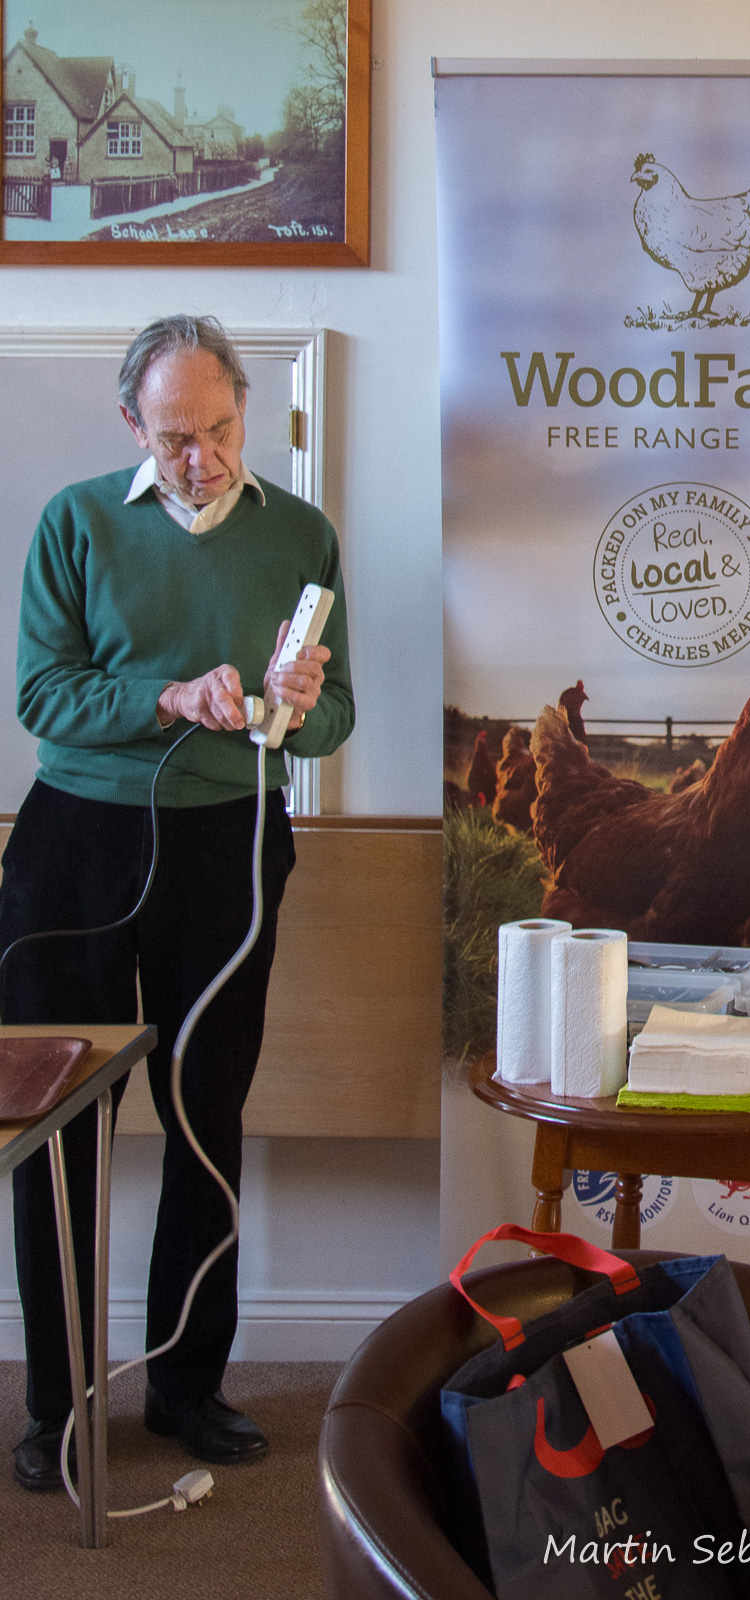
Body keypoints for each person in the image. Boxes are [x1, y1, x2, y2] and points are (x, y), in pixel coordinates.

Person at [0, 315, 354, 1489]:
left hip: (230, 844)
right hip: (76, 847)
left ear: (244, 410)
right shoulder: (76, 520)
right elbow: (44, 694)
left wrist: (296, 704)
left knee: (206, 1118)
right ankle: (56, 1407)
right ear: (130, 425)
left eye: (219, 429)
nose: (200, 457)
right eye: (173, 436)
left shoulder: (300, 533)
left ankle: (186, 1389)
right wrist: (167, 697)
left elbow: (335, 716)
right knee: (58, 1128)